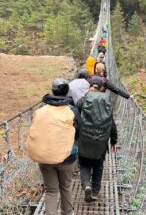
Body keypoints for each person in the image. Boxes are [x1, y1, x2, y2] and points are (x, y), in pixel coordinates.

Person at [26, 78, 80, 215]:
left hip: (44, 156)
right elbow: (79, 131)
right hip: (67, 157)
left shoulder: (41, 110)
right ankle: (67, 212)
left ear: (52, 91)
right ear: (67, 93)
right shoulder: (72, 110)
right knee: (66, 187)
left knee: (51, 190)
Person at [77, 76, 117, 203]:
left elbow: (76, 118)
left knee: (84, 164)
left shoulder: (82, 101)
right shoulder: (107, 102)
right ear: (101, 88)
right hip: (101, 141)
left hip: (84, 138)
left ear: (89, 86)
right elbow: (111, 123)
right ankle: (95, 191)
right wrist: (114, 140)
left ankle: (86, 185)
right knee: (98, 166)